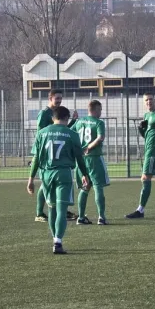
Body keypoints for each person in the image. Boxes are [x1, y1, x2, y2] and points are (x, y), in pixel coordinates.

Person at [27, 106, 89, 254]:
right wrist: (85, 174)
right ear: (67, 118)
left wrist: (30, 178)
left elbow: (36, 159)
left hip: (47, 175)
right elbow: (79, 157)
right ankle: (58, 242)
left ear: (53, 118)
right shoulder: (72, 134)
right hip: (64, 174)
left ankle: (54, 238)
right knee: (62, 210)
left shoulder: (41, 133)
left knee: (52, 209)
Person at [125, 93, 155, 219]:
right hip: (149, 150)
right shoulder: (147, 115)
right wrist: (142, 130)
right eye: (146, 100)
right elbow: (147, 135)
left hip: (154, 152)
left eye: (151, 99)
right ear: (144, 102)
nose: (148, 102)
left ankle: (140, 210)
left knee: (145, 178)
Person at [35, 89, 78, 223]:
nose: (59, 101)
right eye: (57, 98)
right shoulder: (44, 114)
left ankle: (62, 209)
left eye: (60, 98)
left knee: (51, 184)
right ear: (50, 98)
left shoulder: (58, 113)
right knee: (44, 184)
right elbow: (42, 133)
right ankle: (40, 213)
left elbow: (61, 131)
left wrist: (73, 122)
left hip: (55, 154)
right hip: (46, 155)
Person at [73, 100, 110, 226]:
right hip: (94, 157)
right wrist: (89, 146)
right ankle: (101, 217)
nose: (101, 112)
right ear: (95, 109)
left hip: (81, 159)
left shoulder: (79, 122)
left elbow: (70, 132)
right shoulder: (99, 123)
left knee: (85, 187)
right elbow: (100, 138)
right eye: (100, 109)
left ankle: (81, 217)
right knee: (98, 186)